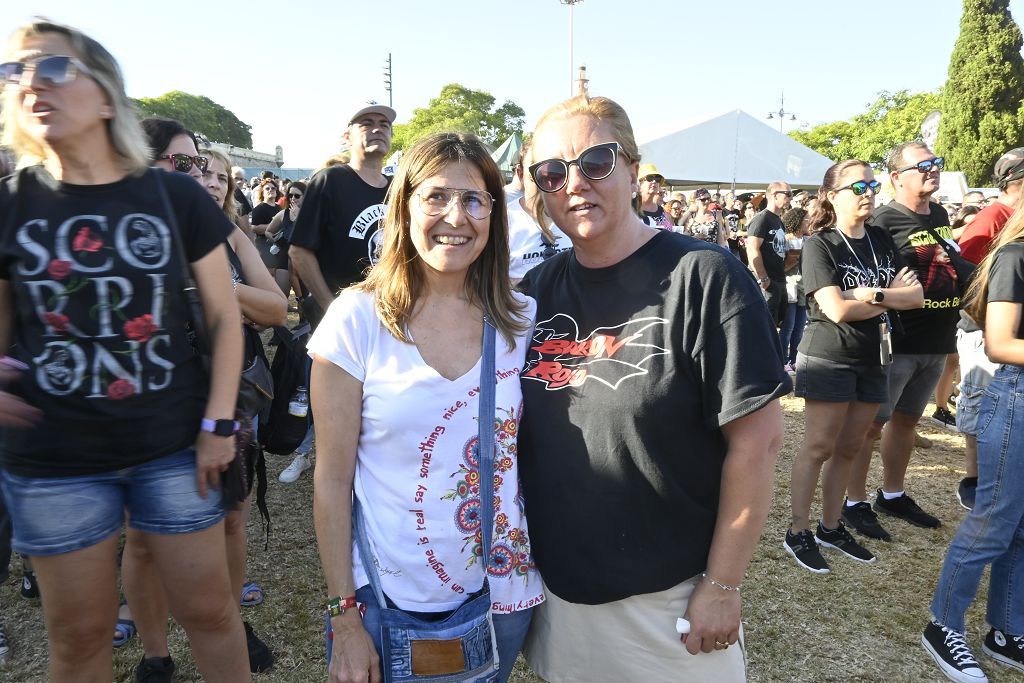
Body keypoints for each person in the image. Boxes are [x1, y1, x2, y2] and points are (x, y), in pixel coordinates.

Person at [0, 19, 248, 682]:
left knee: (211, 612)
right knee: (80, 637)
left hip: (173, 447)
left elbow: (227, 318)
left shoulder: (172, 196)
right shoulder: (9, 205)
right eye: (13, 72)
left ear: (106, 97)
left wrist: (219, 422)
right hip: (54, 464)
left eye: (51, 68)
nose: (28, 83)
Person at [517, 94, 790, 682]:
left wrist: (722, 585)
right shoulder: (536, 290)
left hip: (665, 597)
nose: (574, 183)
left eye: (595, 161)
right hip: (560, 591)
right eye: (552, 171)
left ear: (633, 168)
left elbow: (759, 443)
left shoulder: (706, 276)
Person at [310, 132, 542, 683]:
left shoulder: (523, 319)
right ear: (404, 205)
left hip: (503, 593)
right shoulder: (357, 318)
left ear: (495, 214)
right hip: (387, 596)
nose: (455, 217)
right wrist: (345, 618)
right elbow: (331, 479)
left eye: (474, 199)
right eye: (436, 196)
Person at [785, 161, 923, 574]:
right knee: (819, 447)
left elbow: (914, 296)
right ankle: (798, 531)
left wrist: (875, 293)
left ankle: (831, 526)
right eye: (857, 185)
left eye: (872, 184)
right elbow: (836, 309)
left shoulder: (880, 238)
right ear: (832, 195)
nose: (868, 192)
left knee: (851, 446)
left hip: (874, 356)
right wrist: (886, 296)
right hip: (830, 357)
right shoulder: (819, 244)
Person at [921, 203, 1024, 682]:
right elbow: (1000, 342)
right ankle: (943, 626)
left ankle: (1005, 630)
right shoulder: (1015, 256)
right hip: (1017, 398)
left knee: (1020, 526)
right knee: (994, 520)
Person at [842, 143, 961, 542]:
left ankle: (892, 493)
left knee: (908, 420)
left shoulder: (941, 214)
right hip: (899, 338)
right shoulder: (883, 220)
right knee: (872, 424)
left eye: (936, 163)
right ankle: (853, 500)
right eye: (922, 165)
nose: (933, 170)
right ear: (896, 177)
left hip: (938, 335)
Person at [953, 147, 1024, 510]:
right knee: (978, 402)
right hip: (984, 328)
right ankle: (974, 479)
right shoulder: (992, 216)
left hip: (1006, 329)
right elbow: (964, 270)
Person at [506, 142, 570, 283]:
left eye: (555, 174)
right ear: (520, 174)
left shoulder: (577, 215)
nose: (547, 185)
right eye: (538, 176)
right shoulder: (502, 221)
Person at [746, 181, 793, 326]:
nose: (790, 198)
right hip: (767, 282)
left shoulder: (778, 220)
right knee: (764, 327)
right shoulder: (762, 219)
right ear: (774, 195)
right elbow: (752, 248)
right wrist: (763, 278)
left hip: (778, 279)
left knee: (777, 325)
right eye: (788, 194)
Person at [778, 207, 808, 373]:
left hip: (804, 288)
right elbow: (780, 266)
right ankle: (782, 361)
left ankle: (795, 360)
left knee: (800, 328)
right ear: (797, 221)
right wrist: (796, 257)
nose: (808, 222)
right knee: (787, 328)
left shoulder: (809, 240)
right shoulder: (784, 240)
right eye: (805, 220)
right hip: (789, 287)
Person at [264, 180, 306, 295]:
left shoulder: (310, 214)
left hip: (304, 260)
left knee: (305, 297)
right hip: (284, 258)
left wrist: (299, 217)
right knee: (282, 295)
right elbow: (268, 231)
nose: (293, 198)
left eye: (297, 195)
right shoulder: (283, 214)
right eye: (290, 195)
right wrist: (277, 241)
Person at [635, 163, 673, 229]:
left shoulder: (664, 214)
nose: (654, 181)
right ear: (639, 183)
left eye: (658, 179)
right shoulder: (630, 209)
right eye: (650, 178)